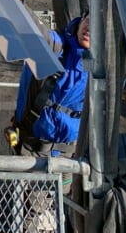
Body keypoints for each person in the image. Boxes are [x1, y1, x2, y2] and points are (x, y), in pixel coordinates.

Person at [13, 11, 90, 159]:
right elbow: (41, 37)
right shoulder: (59, 47)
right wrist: (18, 8)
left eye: (98, 26)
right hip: (30, 149)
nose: (90, 28)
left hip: (67, 156)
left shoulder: (103, 70)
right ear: (80, 21)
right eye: (88, 20)